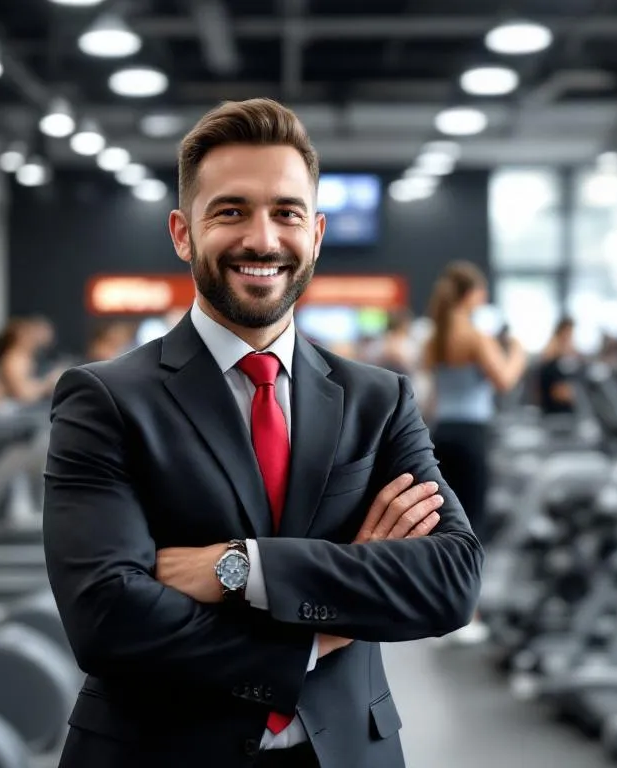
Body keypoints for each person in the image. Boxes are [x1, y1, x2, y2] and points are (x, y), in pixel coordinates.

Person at [44, 98, 482, 768]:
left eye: (286, 213)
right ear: (182, 233)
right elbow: (107, 619)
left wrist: (240, 568)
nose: (262, 239)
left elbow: (449, 581)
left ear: (316, 233)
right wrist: (319, 630)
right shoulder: (104, 399)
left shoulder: (378, 399)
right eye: (230, 211)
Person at [421, 261, 525, 646]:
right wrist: (518, 352)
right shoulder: (475, 336)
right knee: (472, 526)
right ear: (472, 295)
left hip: (443, 432)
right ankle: (469, 614)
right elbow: (505, 379)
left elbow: (432, 397)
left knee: (446, 525)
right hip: (471, 434)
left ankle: (441, 610)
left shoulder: (437, 336)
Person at [537, 317, 577, 417]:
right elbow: (559, 393)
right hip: (554, 415)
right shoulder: (550, 361)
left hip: (567, 414)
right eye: (568, 335)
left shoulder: (568, 361)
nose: (570, 339)